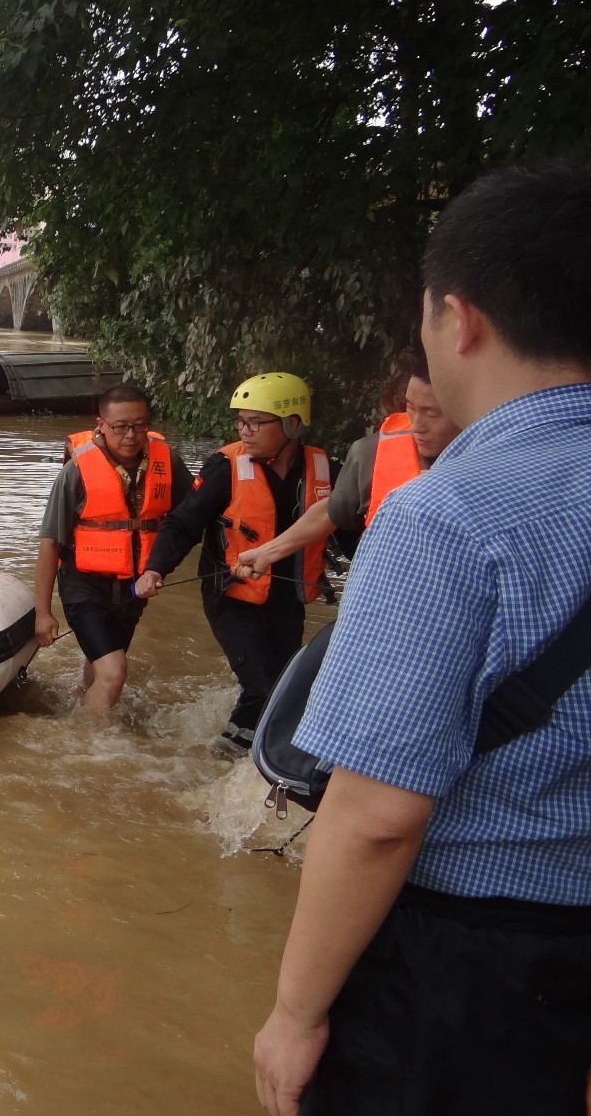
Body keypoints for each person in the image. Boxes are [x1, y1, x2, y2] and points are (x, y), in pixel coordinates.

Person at [253, 162, 591, 1116]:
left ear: (462, 319)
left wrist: (294, 1013)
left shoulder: (448, 518)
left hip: (473, 966)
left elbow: (377, 817)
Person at [135, 372, 337, 753]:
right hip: (231, 596)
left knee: (284, 685)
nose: (245, 431)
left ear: (293, 424)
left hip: (287, 599)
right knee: (262, 686)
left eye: (256, 422)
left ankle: (257, 754)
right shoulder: (224, 466)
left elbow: (350, 527)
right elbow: (183, 522)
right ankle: (226, 759)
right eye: (240, 421)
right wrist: (155, 568)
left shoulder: (325, 468)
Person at [33, 385, 194, 711]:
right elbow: (50, 543)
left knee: (102, 666)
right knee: (114, 672)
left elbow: (190, 517)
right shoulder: (76, 471)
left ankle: (81, 705)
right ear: (101, 425)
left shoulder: (166, 461)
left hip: (133, 586)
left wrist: (159, 567)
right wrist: (43, 612)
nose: (131, 435)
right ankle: (91, 748)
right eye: (120, 426)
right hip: (84, 586)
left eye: (140, 425)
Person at [235, 356, 460, 580]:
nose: (417, 426)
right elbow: (329, 512)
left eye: (432, 413)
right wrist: (266, 553)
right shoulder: (370, 453)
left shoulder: (491, 463)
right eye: (410, 407)